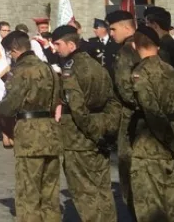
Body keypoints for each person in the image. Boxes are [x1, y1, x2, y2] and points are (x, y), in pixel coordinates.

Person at [51, 24, 119, 222]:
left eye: (58, 44)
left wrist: (96, 132)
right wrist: (108, 128)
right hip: (100, 132)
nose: (55, 48)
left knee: (84, 193)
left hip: (79, 139)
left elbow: (78, 109)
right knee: (102, 189)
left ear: (71, 45)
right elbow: (113, 102)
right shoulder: (98, 66)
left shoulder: (70, 70)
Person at [130, 25, 174, 222]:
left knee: (152, 210)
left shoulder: (140, 73)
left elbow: (152, 113)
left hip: (151, 150)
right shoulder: (171, 70)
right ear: (157, 46)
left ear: (135, 45)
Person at [0, 29, 62, 222]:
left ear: (15, 49)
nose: (10, 57)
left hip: (29, 136)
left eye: (10, 53)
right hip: (51, 133)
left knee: (28, 194)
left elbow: (10, 105)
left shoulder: (20, 71)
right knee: (50, 194)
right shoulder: (49, 69)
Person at [107, 9, 140, 216]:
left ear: (127, 27)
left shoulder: (126, 51)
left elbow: (125, 90)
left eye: (113, 28)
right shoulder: (150, 46)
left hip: (130, 120)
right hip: (155, 119)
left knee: (129, 179)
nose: (111, 33)